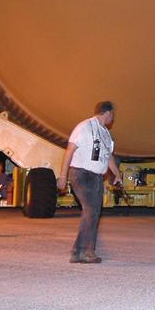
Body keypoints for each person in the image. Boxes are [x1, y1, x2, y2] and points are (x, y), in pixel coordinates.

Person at [57, 101, 121, 263]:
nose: (113, 118)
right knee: (91, 211)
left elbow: (108, 157)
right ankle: (86, 251)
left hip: (97, 178)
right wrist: (63, 176)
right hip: (81, 174)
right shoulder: (84, 127)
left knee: (93, 213)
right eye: (112, 115)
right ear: (107, 113)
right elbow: (70, 150)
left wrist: (117, 174)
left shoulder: (106, 134)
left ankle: (79, 252)